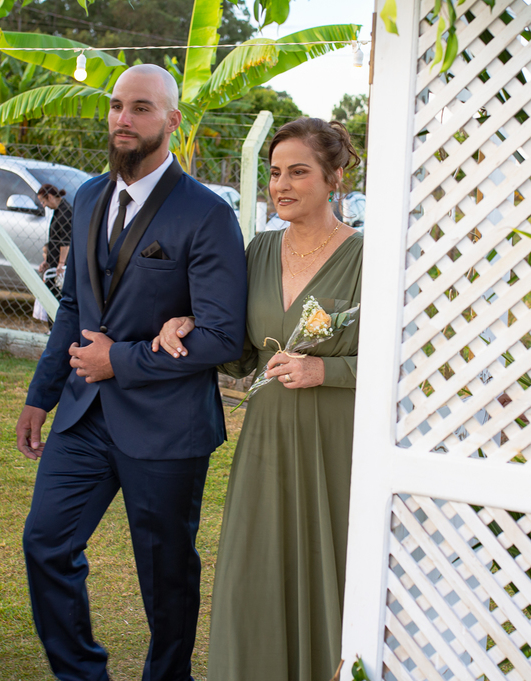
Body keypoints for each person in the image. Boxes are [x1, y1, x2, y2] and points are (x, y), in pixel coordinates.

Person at [16, 64, 247, 681]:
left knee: (166, 576)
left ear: (172, 121)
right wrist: (41, 395)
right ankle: (81, 674)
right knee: (46, 545)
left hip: (167, 429)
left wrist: (118, 360)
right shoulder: (89, 196)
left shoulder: (207, 215)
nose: (123, 118)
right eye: (117, 106)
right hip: (83, 415)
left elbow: (222, 337)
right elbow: (72, 307)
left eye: (141, 108)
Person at [153, 118, 363, 681]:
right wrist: (189, 323)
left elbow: (402, 369)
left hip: (335, 441)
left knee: (330, 568)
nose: (281, 185)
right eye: (275, 173)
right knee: (257, 568)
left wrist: (330, 369)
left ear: (334, 178)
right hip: (267, 438)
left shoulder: (367, 257)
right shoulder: (258, 250)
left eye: (299, 171)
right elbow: (238, 351)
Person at [36, 182, 73, 296]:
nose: (43, 205)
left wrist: (61, 263)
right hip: (54, 263)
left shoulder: (64, 212)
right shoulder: (58, 211)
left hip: (60, 266)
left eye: (43, 201)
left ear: (50, 197)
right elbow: (56, 238)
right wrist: (48, 260)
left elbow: (65, 241)